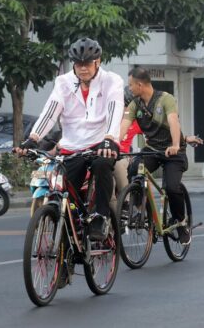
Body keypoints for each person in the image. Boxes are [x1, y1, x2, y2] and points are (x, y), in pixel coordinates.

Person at [16, 37, 124, 240]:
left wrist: (109, 138)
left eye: (87, 63)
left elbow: (114, 109)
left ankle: (101, 216)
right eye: (78, 64)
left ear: (98, 61)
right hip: (72, 147)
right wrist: (33, 137)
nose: (83, 68)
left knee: (102, 165)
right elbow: (50, 112)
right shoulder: (63, 82)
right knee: (67, 202)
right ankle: (66, 261)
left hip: (102, 143)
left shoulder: (112, 81)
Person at [119, 67, 192, 245]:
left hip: (173, 152)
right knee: (134, 168)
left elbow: (174, 121)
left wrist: (175, 145)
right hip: (152, 149)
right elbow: (124, 125)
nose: (129, 89)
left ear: (140, 84)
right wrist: (113, 143)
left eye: (130, 85)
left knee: (172, 188)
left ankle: (181, 224)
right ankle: (141, 208)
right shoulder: (135, 104)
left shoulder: (165, 99)